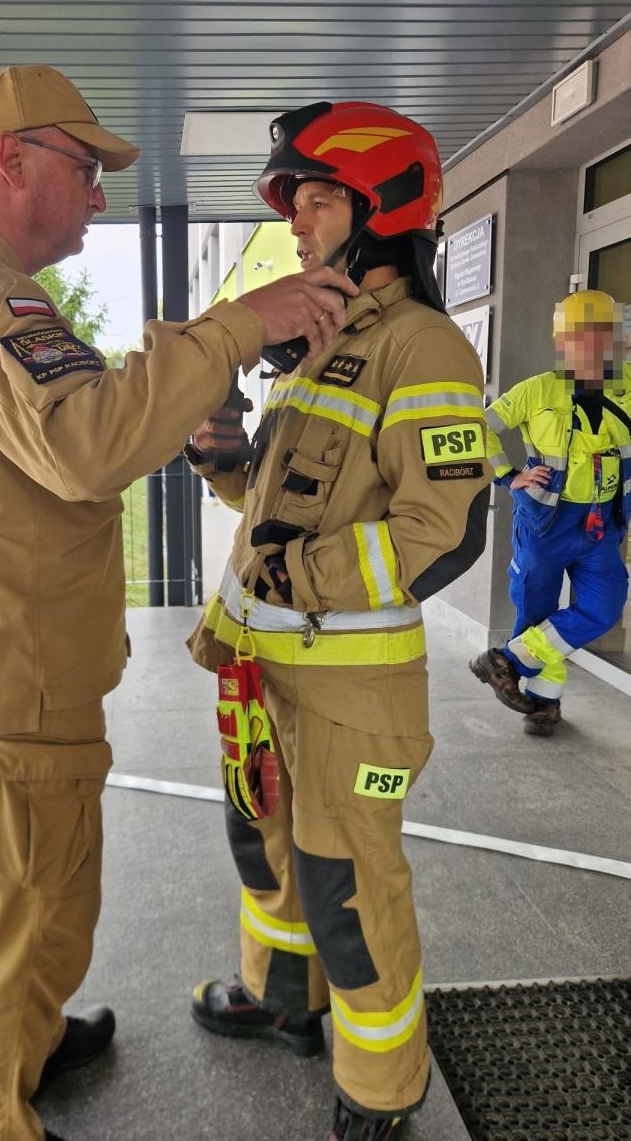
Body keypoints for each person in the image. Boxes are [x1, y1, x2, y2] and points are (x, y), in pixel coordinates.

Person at [0, 64, 356, 1141]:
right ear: (10, 159)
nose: (99, 195)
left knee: (30, 893)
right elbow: (90, 448)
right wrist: (235, 327)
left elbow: (52, 441)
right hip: (19, 671)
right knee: (29, 913)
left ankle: (37, 1045)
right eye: (84, 167)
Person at [184, 101, 491, 1140]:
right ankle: (283, 1006)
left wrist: (298, 571)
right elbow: (283, 508)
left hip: (352, 691)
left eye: (318, 200)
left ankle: (383, 1088)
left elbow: (439, 532)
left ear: (383, 207)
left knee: (349, 889)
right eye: (294, 201)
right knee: (262, 841)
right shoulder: (320, 344)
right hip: (267, 670)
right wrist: (226, 456)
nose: (299, 221)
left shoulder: (425, 347)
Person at [470, 290, 630, 736]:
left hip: (603, 523)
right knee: (536, 610)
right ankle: (544, 704)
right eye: (579, 336)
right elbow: (479, 426)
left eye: (602, 335)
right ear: (563, 342)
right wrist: (506, 475)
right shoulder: (538, 389)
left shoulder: (630, 386)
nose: (592, 346)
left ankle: (506, 661)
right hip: (544, 522)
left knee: (603, 607)